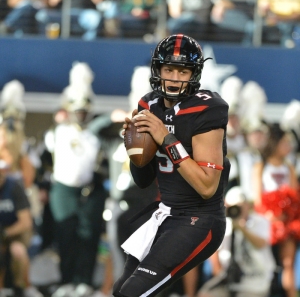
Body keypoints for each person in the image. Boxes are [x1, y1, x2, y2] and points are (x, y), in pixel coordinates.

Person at [112, 34, 230, 297]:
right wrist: (135, 148)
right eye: (169, 69)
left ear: (194, 74)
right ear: (158, 69)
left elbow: (207, 186)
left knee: (132, 294)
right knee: (121, 290)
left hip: (199, 219)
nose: (175, 78)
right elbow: (143, 180)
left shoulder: (206, 109)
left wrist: (166, 138)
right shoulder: (149, 104)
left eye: (183, 70)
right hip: (167, 215)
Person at [44, 63, 108, 297]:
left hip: (88, 190)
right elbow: (46, 156)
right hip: (63, 189)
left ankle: (85, 281)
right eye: (77, 111)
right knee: (65, 236)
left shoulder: (94, 133)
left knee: (88, 237)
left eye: (84, 111)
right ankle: (66, 280)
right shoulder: (58, 132)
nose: (81, 115)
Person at [198, 186, 276, 297]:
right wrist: (218, 270)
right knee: (205, 294)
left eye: (240, 206)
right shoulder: (223, 224)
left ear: (247, 205)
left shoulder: (260, 221)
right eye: (233, 207)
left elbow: (261, 244)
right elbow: (214, 249)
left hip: (255, 278)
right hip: (227, 277)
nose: (237, 210)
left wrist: (242, 228)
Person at [253, 123, 300, 297]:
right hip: (266, 224)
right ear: (276, 143)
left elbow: (295, 197)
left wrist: (287, 214)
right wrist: (269, 215)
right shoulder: (260, 166)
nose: (288, 147)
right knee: (267, 266)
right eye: (285, 143)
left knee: (288, 263)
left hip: (286, 223)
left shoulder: (289, 168)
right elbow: (257, 197)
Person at [0, 126, 43, 297]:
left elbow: (25, 222)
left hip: (13, 229)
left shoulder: (14, 184)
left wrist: (4, 233)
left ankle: (22, 286)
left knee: (18, 251)